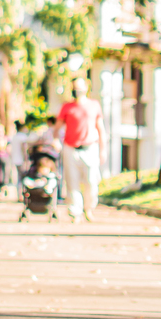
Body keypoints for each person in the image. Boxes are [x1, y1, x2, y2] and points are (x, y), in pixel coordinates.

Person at [53, 77, 107, 222]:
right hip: (71, 148)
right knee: (72, 182)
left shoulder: (94, 105)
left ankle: (88, 209)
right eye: (75, 87)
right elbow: (57, 128)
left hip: (90, 147)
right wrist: (55, 140)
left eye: (80, 87)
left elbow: (101, 129)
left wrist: (103, 149)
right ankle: (75, 212)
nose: (77, 90)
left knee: (91, 181)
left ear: (86, 87)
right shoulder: (67, 107)